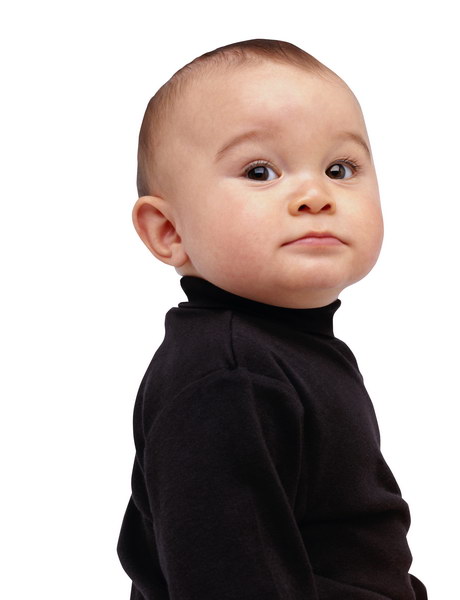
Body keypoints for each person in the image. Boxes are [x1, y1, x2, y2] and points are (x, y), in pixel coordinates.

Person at [117, 39, 427, 600]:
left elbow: (353, 543)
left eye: (340, 168)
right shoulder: (227, 378)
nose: (315, 195)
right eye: (260, 171)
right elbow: (227, 578)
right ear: (169, 231)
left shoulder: (288, 348)